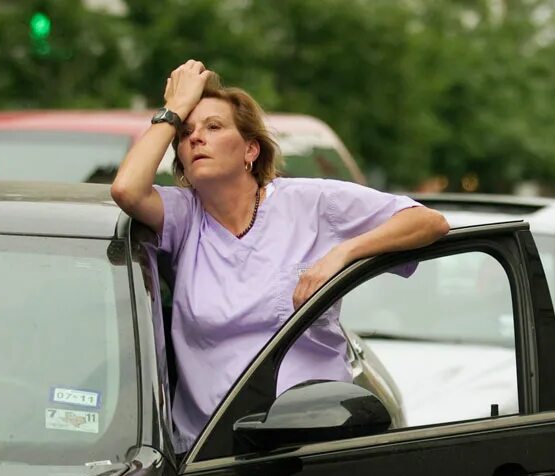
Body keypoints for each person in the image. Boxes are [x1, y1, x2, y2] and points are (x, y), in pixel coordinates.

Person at [111, 59, 449, 455]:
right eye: (185, 134)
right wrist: (174, 108)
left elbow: (429, 222)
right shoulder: (185, 217)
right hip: (211, 457)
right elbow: (127, 190)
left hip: (313, 445)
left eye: (214, 127)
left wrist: (342, 254)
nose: (196, 138)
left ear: (250, 150)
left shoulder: (311, 202)